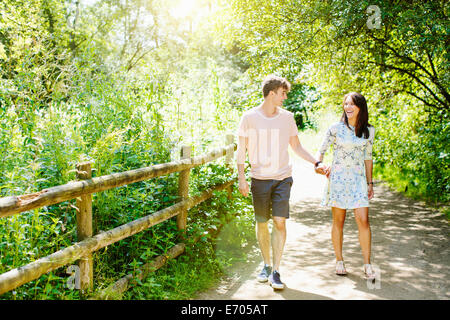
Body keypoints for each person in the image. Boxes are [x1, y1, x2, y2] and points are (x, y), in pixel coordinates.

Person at [236, 75, 328, 290]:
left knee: (279, 221)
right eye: (283, 93)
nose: (285, 97)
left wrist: (317, 162)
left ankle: (276, 270)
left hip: (282, 179)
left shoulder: (287, 117)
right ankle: (266, 264)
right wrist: (242, 177)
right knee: (261, 223)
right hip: (259, 179)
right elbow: (241, 150)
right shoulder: (249, 117)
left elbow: (296, 146)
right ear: (271, 93)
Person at [316, 92, 376, 280]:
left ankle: (367, 265)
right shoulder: (335, 128)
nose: (348, 108)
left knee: (363, 221)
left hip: (358, 180)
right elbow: (321, 151)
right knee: (338, 221)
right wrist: (319, 165)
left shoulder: (369, 130)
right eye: (346, 104)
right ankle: (339, 260)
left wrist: (370, 182)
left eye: (352, 104)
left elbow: (368, 157)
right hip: (338, 180)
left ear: (360, 107)